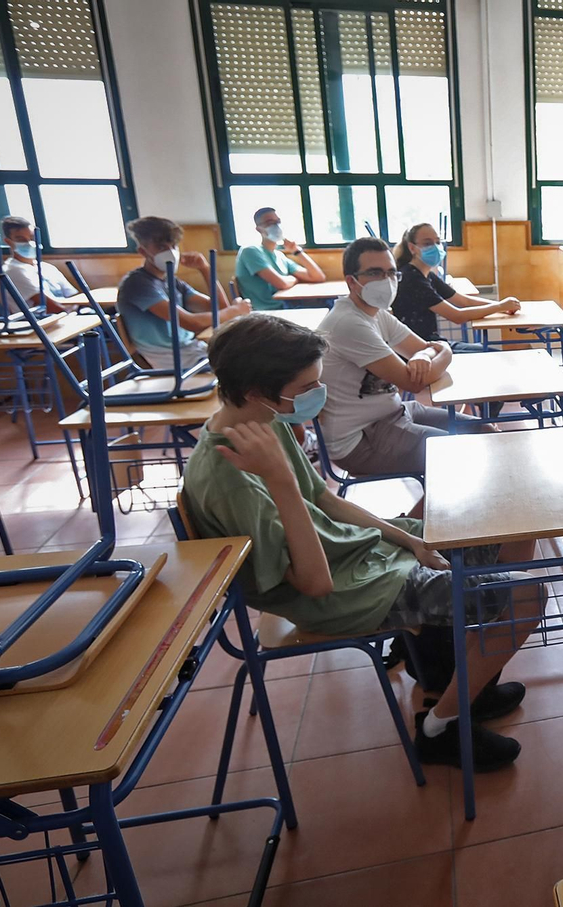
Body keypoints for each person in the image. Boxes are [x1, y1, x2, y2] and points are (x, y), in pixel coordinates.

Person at [181, 313, 539, 769]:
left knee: (509, 534)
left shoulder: (258, 424)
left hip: (358, 554)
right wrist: (281, 482)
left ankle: (466, 684)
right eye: (307, 386)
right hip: (342, 592)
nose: (319, 394)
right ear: (256, 392)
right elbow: (315, 584)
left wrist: (404, 539)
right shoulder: (235, 471)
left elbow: (325, 502)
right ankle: (442, 727)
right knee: (525, 593)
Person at [316, 236, 457, 510]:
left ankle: (467, 533)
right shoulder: (348, 323)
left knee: (485, 431)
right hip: (361, 438)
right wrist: (441, 352)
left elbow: (426, 348)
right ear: (351, 281)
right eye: (374, 273)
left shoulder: (376, 313)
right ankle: (413, 538)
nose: (387, 280)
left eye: (391, 272)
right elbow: (413, 381)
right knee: (454, 456)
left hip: (394, 414)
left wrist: (430, 353)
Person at [117, 216, 251, 370]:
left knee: (251, 355)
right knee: (242, 367)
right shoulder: (138, 284)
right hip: (168, 357)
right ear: (143, 251)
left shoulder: (172, 281)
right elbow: (191, 323)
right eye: (161, 247)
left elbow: (219, 308)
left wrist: (205, 269)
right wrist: (235, 311)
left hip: (190, 349)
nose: (170, 252)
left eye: (173, 246)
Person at [391, 222, 520, 352]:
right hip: (419, 350)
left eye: (437, 242)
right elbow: (457, 316)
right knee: (495, 357)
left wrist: (502, 307)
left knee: (493, 353)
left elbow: (464, 301)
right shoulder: (412, 278)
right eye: (427, 243)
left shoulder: (425, 274)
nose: (435, 247)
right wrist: (500, 306)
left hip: (433, 343)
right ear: (412, 248)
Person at [233, 207, 327, 311]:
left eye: (278, 222)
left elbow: (318, 277)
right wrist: (295, 278)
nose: (276, 226)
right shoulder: (250, 251)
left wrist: (297, 251)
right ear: (259, 229)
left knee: (329, 303)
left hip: (286, 305)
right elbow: (281, 284)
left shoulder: (279, 256)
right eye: (270, 222)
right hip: (268, 311)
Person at [0, 216, 76, 313]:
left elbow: (74, 297)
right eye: (20, 239)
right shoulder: (13, 270)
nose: (29, 243)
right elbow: (52, 308)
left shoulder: (46, 267)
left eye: (32, 238)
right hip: (46, 321)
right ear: (8, 242)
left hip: (68, 315)